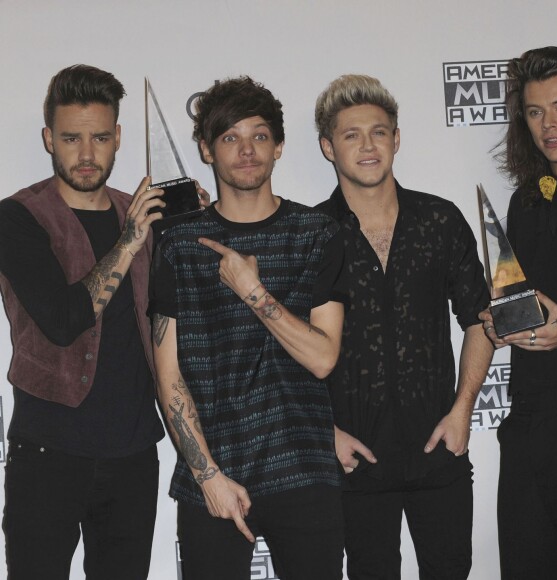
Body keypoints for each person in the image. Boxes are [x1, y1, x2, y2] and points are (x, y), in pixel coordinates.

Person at [149, 76, 347, 580]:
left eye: (259, 136)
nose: (246, 150)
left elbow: (323, 357)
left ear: (279, 147)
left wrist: (253, 291)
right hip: (212, 475)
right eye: (230, 137)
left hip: (303, 468)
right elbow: (168, 376)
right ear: (206, 151)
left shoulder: (316, 234)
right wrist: (208, 476)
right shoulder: (179, 244)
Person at [0, 64, 183, 579]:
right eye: (71, 138)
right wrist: (129, 241)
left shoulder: (146, 214)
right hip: (48, 450)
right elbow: (62, 321)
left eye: (100, 137)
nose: (86, 154)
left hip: (132, 453)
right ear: (47, 139)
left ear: (118, 137)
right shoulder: (18, 217)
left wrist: (190, 224)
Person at [315, 75, 494, 580]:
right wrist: (325, 432)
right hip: (354, 462)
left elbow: (480, 318)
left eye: (379, 132)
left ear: (397, 138)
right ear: (328, 146)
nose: (368, 146)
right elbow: (288, 346)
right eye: (351, 135)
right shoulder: (312, 234)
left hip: (440, 451)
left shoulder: (439, 220)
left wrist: (463, 411)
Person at [480, 46, 557, 580]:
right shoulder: (525, 200)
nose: (549, 125)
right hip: (529, 425)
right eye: (536, 112)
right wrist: (503, 320)